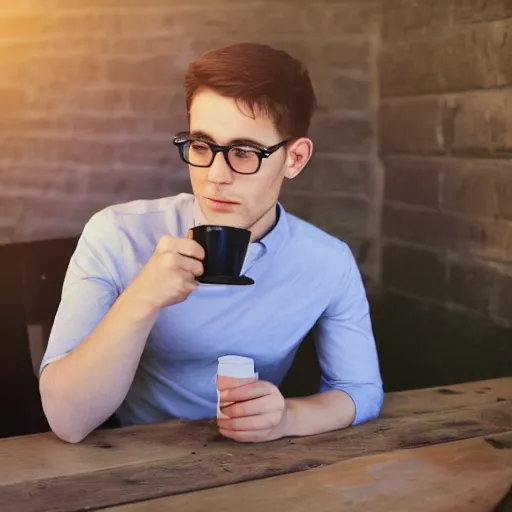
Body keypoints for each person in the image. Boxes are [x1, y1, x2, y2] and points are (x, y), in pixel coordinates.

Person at [39, 42, 384, 444]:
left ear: (294, 159)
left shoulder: (327, 262)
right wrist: (141, 299)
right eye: (202, 146)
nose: (216, 176)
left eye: (244, 152)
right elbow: (67, 419)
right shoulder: (118, 234)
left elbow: (361, 389)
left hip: (254, 464)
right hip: (127, 457)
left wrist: (289, 418)